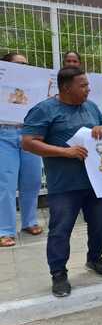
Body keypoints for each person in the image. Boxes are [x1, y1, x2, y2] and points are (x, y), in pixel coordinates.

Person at [21, 66, 102, 297]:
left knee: (100, 224)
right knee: (60, 230)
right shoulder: (44, 110)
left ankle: (95, 259)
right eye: (83, 86)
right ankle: (59, 273)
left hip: (97, 182)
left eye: (87, 85)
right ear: (66, 87)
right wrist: (65, 152)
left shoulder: (91, 107)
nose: (88, 90)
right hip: (64, 185)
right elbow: (29, 142)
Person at [0, 53, 44, 248]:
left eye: (26, 64)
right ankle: (5, 230)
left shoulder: (36, 85)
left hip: (29, 135)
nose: (24, 67)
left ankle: (29, 221)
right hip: (4, 135)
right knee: (6, 184)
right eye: (18, 64)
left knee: (32, 180)